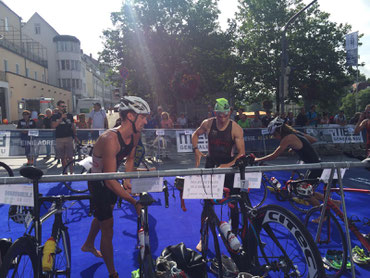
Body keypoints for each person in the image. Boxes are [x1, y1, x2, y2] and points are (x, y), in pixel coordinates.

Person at [81, 96, 150, 278]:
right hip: (99, 181)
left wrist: (127, 181)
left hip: (111, 176)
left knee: (103, 215)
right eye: (143, 116)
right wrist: (133, 201)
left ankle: (88, 243)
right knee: (108, 226)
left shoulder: (135, 134)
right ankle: (113, 273)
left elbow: (131, 159)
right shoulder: (110, 139)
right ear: (130, 116)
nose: (146, 121)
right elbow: (109, 181)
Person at [254, 117, 340, 220]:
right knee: (308, 191)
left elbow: (274, 155)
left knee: (305, 193)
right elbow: (313, 140)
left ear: (279, 131)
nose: (275, 137)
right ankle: (335, 203)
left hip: (315, 167)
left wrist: (257, 159)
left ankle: (324, 215)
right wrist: (296, 146)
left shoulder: (288, 138)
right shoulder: (296, 133)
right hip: (315, 165)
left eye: (274, 134)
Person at [192, 98, 245, 251]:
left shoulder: (236, 128)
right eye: (219, 115)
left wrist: (227, 165)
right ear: (215, 113)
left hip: (229, 167)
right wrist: (196, 150)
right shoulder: (208, 123)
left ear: (230, 112)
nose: (222, 118)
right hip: (211, 165)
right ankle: (203, 237)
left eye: (225, 115)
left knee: (234, 204)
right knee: (207, 204)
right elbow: (195, 134)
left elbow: (241, 154)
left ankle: (234, 235)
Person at [51, 100, 78, 173]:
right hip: (59, 138)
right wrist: (61, 119)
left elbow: (73, 126)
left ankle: (72, 172)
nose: (64, 108)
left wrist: (75, 136)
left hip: (69, 137)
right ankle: (65, 172)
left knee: (70, 156)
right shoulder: (54, 116)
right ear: (58, 107)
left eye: (65, 106)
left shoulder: (69, 115)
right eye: (62, 106)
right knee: (63, 157)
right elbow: (53, 126)